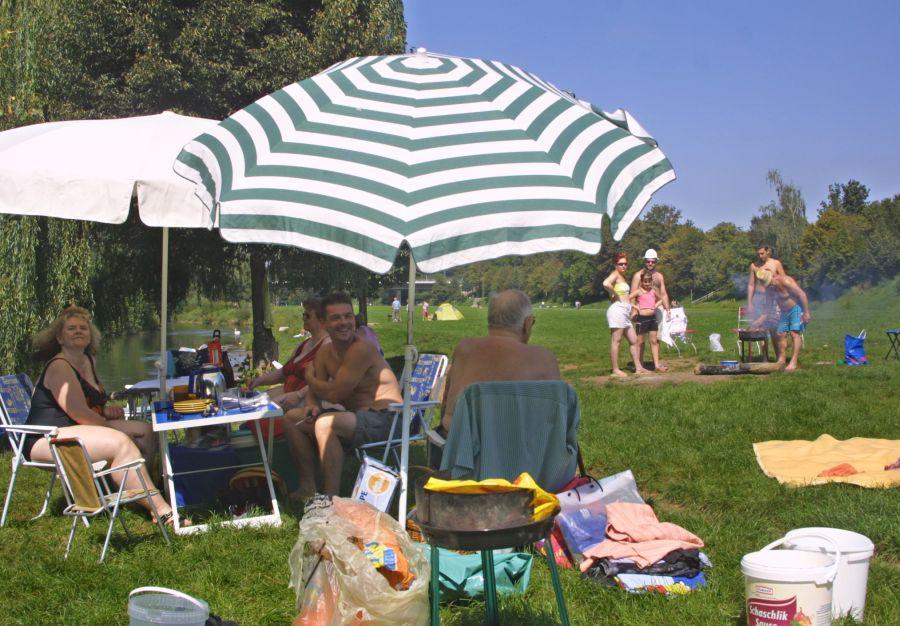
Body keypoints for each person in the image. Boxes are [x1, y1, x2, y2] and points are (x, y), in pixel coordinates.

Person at [22, 306, 179, 526]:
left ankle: (137, 493)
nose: (78, 331)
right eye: (71, 328)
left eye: (83, 328)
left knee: (145, 431)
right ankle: (161, 510)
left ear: (90, 335)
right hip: (46, 439)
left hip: (77, 429)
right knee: (120, 443)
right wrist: (109, 425)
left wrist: (104, 411)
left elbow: (88, 407)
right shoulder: (60, 366)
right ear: (59, 337)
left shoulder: (89, 361)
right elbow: (80, 414)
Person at [289, 293, 402, 499]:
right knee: (292, 418)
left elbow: (335, 394)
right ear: (324, 323)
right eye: (336, 318)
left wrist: (309, 377)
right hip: (355, 416)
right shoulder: (325, 352)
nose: (344, 323)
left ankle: (331, 500)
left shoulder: (361, 349)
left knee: (325, 423)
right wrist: (310, 405)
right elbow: (315, 395)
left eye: (348, 316)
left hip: (387, 419)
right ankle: (308, 486)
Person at [439, 289, 560, 433]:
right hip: (523, 451)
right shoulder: (545, 359)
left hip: (466, 450)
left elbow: (446, 408)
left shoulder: (464, 350)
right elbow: (556, 420)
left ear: (490, 320)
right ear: (527, 324)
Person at [247, 297, 330, 411]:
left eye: (308, 316)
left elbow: (324, 381)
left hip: (303, 400)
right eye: (303, 315)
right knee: (250, 405)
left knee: (258, 413)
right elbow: (283, 373)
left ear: (322, 320)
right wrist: (259, 381)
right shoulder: (303, 345)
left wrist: (299, 395)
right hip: (287, 392)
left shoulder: (327, 345)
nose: (303, 318)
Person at [752, 270, 811, 371]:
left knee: (794, 334)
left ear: (773, 277)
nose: (769, 286)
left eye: (769, 283)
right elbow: (768, 307)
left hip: (795, 309)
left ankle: (793, 362)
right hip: (784, 312)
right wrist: (759, 321)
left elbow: (802, 294)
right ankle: (781, 359)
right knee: (780, 334)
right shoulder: (769, 289)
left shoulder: (786, 281)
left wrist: (806, 312)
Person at [603, 253, 649, 377]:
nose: (623, 266)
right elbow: (606, 283)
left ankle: (639, 367)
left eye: (625, 264)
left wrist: (633, 306)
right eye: (620, 264)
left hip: (625, 312)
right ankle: (615, 369)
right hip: (617, 311)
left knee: (633, 340)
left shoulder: (622, 277)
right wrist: (615, 294)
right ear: (615, 265)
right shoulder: (615, 274)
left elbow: (625, 297)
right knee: (616, 340)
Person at [630, 248, 671, 366]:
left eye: (652, 261)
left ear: (656, 262)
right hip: (642, 310)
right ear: (645, 261)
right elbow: (632, 294)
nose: (650, 263)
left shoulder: (659, 276)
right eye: (648, 261)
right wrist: (634, 311)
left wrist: (668, 310)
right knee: (640, 339)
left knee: (656, 338)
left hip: (657, 308)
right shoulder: (638, 276)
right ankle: (639, 364)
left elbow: (663, 294)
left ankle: (656, 363)